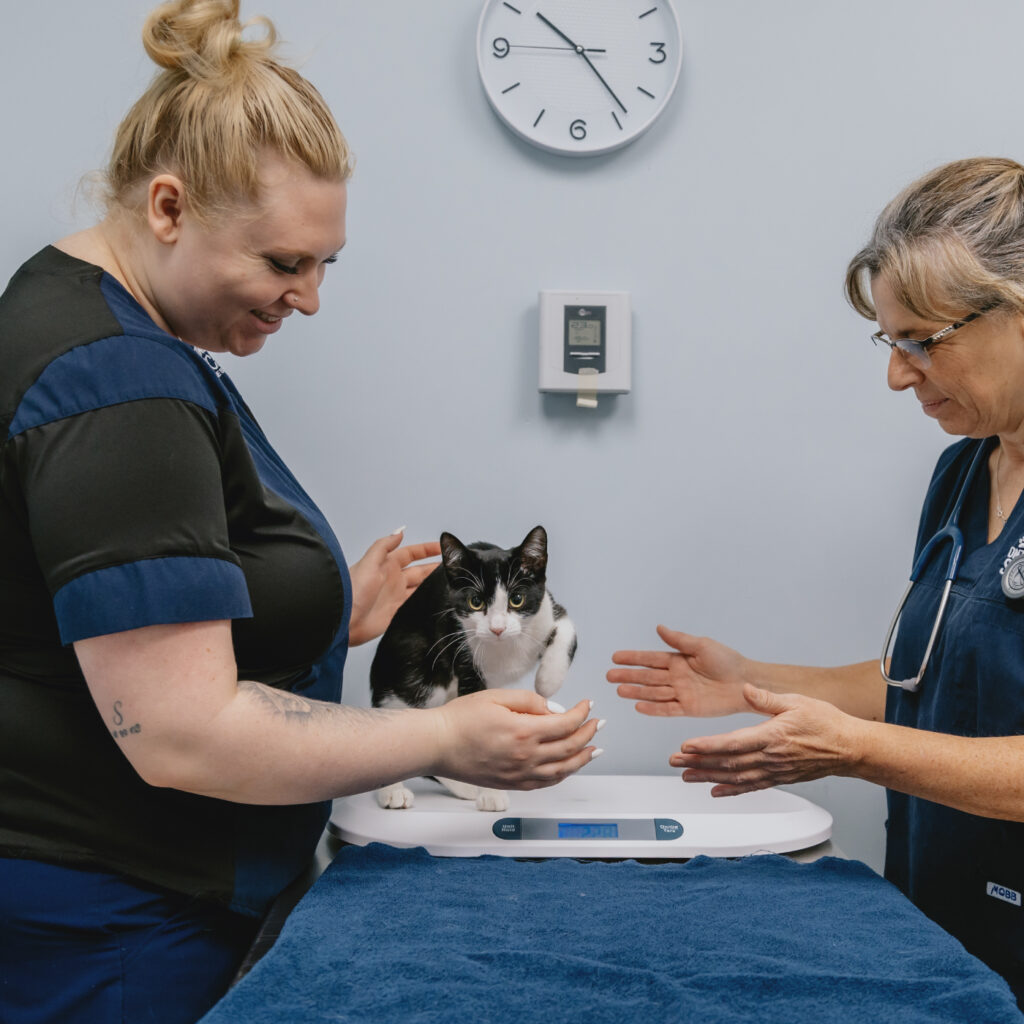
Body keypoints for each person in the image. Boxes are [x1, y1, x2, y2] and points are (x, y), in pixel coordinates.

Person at [0, 2, 600, 1021]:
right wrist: (443, 736)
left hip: (119, 896)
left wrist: (325, 611)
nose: (309, 297)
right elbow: (179, 731)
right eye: (282, 264)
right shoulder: (115, 378)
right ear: (168, 208)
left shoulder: (85, 315)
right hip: (113, 917)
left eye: (325, 264)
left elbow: (111, 613)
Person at [607, 156, 1024, 1006]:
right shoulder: (963, 476)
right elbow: (928, 682)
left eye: (922, 342)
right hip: (941, 923)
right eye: (890, 341)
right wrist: (752, 683)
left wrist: (856, 754)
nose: (898, 373)